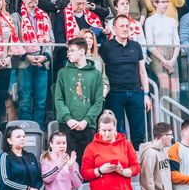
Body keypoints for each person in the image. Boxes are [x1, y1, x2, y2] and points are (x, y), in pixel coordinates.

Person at [80, 110, 140, 190]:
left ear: (115, 128)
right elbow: (84, 173)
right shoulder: (91, 147)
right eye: (103, 131)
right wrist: (100, 170)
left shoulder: (126, 144)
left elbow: (136, 167)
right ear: (99, 130)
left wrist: (124, 172)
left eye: (110, 130)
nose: (107, 134)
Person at [100, 14, 151, 149]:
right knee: (116, 131)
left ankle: (138, 157)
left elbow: (142, 71)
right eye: (121, 26)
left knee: (139, 132)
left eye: (127, 26)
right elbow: (101, 72)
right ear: (114, 29)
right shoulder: (106, 47)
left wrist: (146, 94)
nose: (125, 28)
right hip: (114, 94)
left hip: (135, 92)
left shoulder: (136, 46)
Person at [55, 37, 103, 165]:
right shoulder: (63, 73)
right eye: (68, 51)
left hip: (88, 126)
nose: (68, 53)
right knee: (68, 165)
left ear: (82, 51)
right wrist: (68, 119)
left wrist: (86, 120)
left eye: (72, 50)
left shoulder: (96, 74)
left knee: (87, 164)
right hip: (67, 125)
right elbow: (58, 99)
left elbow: (98, 102)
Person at [14, 0, 54, 129]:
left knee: (41, 102)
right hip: (24, 63)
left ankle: (38, 131)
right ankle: (25, 131)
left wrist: (45, 56)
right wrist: (26, 56)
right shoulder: (17, 16)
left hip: (42, 64)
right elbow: (14, 40)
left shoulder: (44, 16)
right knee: (24, 101)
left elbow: (51, 39)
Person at [144, 0, 180, 102]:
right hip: (157, 57)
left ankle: (175, 113)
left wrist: (172, 60)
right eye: (163, 2)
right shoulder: (150, 20)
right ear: (155, 3)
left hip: (172, 56)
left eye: (167, 2)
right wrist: (164, 60)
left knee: (174, 90)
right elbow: (150, 44)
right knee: (162, 89)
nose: (166, 4)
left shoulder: (172, 21)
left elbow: (177, 42)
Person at [139, 122, 174, 190]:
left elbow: (165, 177)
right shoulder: (150, 153)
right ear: (163, 136)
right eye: (170, 135)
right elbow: (146, 180)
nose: (172, 137)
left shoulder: (164, 151)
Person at [78, 28, 110, 97]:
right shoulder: (74, 59)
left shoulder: (98, 59)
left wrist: (104, 90)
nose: (88, 40)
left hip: (96, 96)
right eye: (85, 38)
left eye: (91, 38)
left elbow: (104, 79)